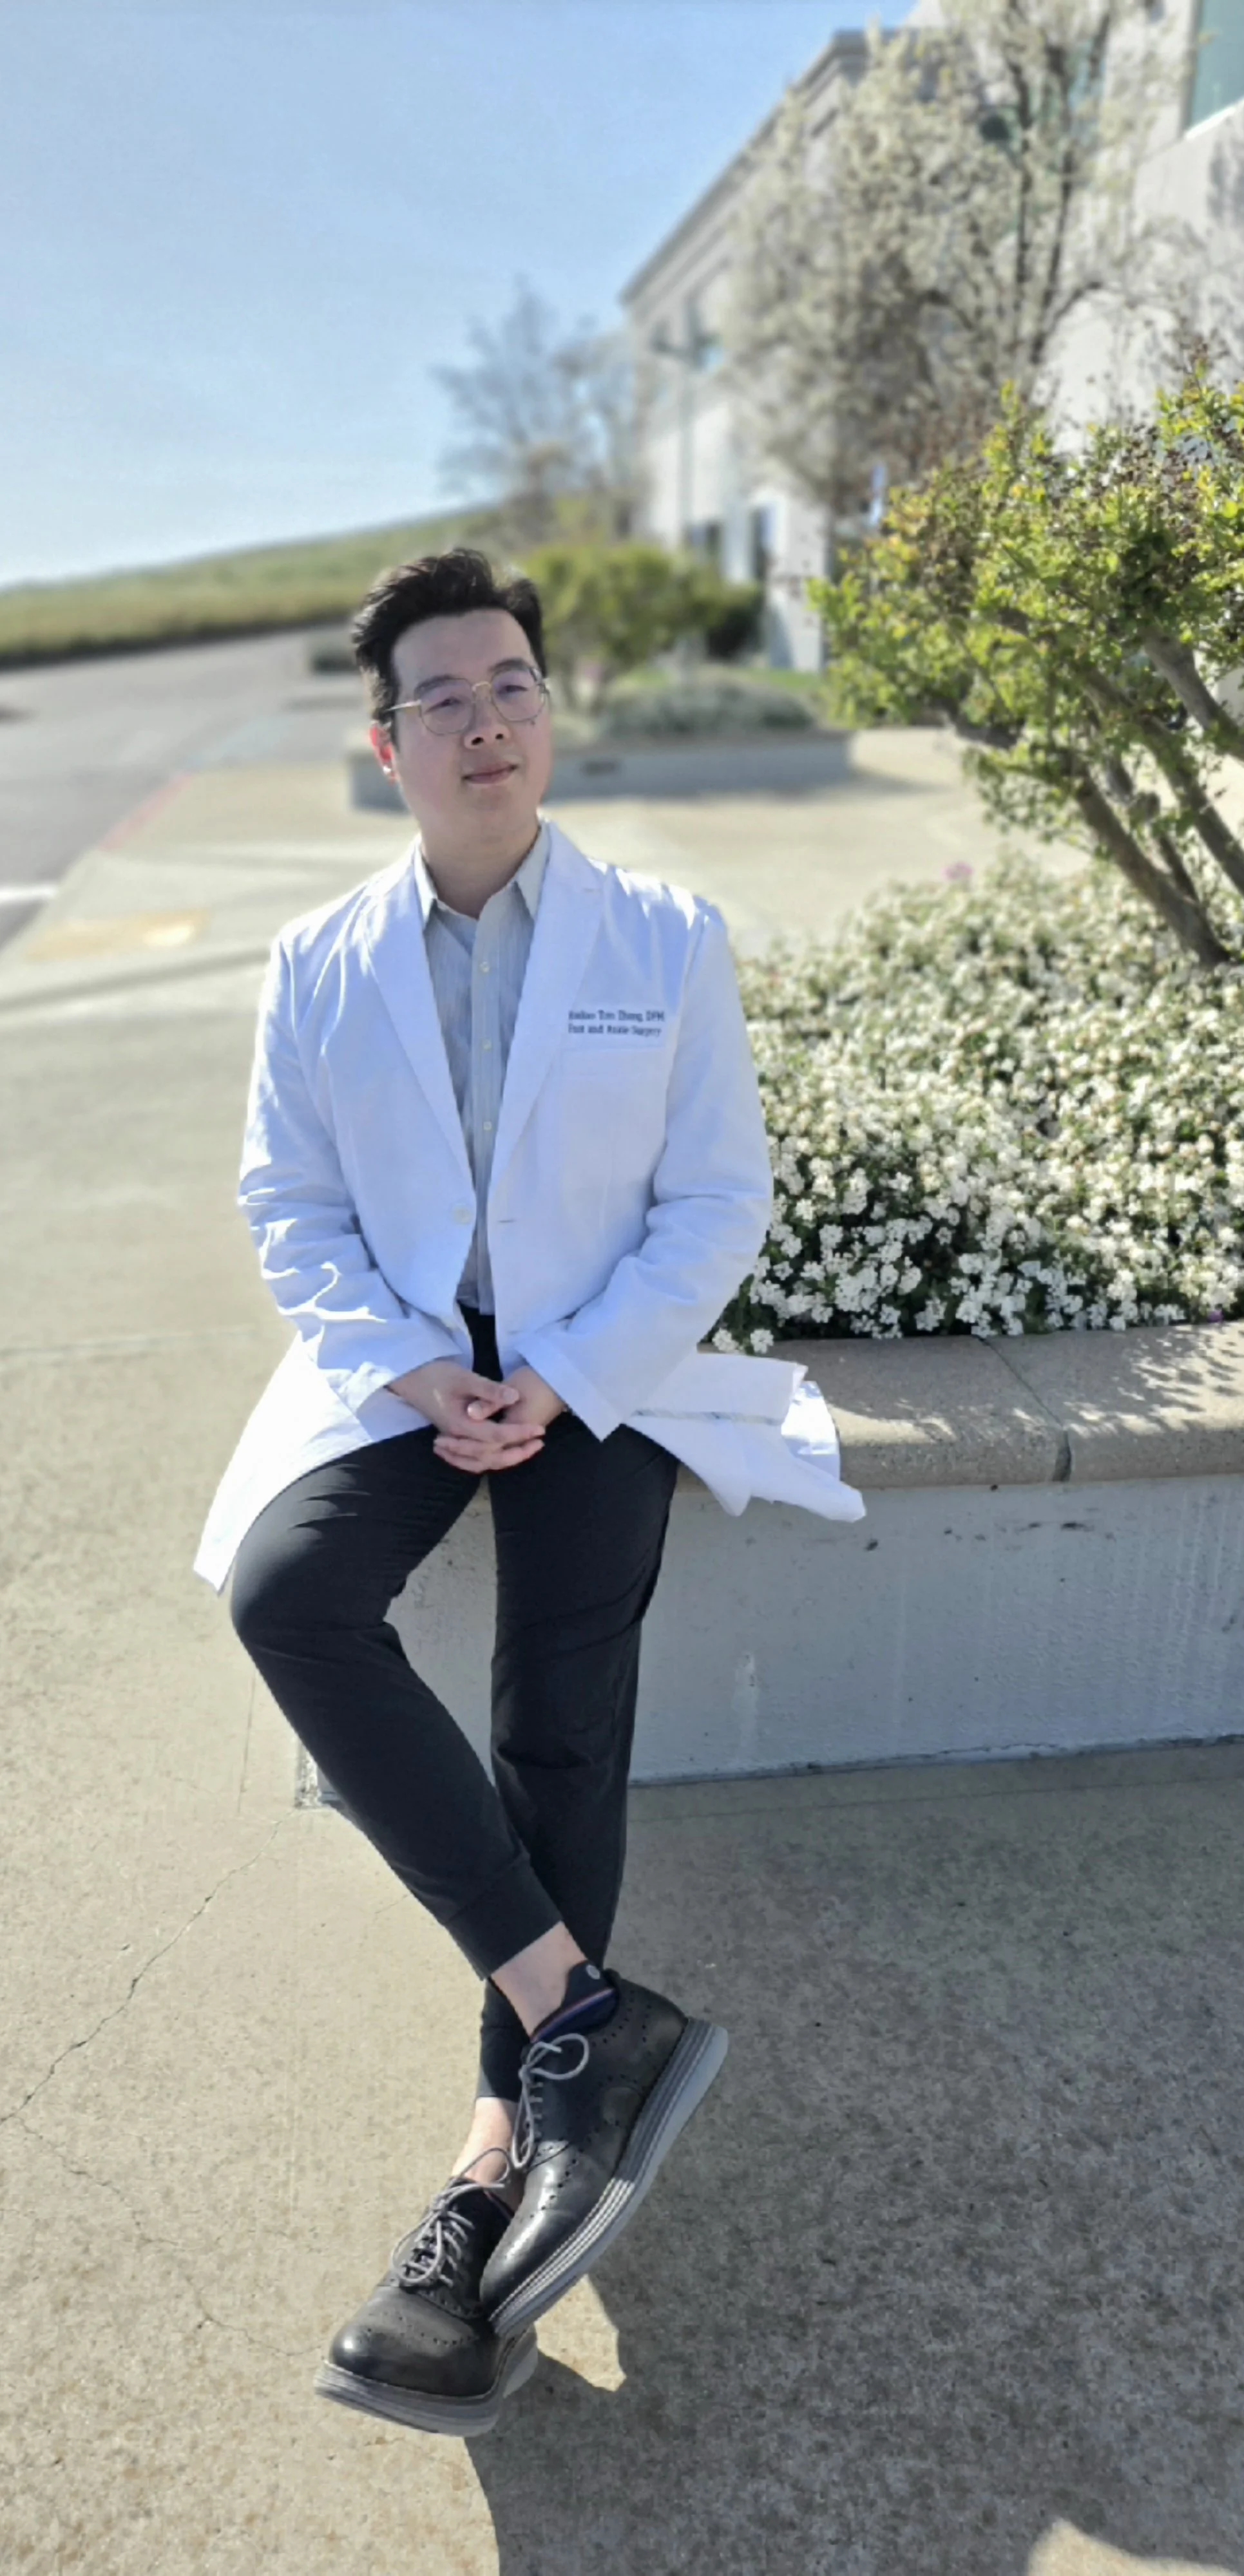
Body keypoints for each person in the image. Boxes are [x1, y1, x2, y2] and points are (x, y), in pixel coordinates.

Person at [195, 547, 861, 2441]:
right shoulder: (317, 964)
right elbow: (290, 1205)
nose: (487, 723)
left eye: (514, 687)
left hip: (597, 1370)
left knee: (556, 1717)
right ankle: (589, 2013)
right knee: (283, 1594)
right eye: (445, 701)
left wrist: (561, 1379)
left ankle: (498, 2150)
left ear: (545, 712)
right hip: (406, 1366)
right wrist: (411, 1369)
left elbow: (712, 1202)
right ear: (383, 742)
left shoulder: (661, 937)